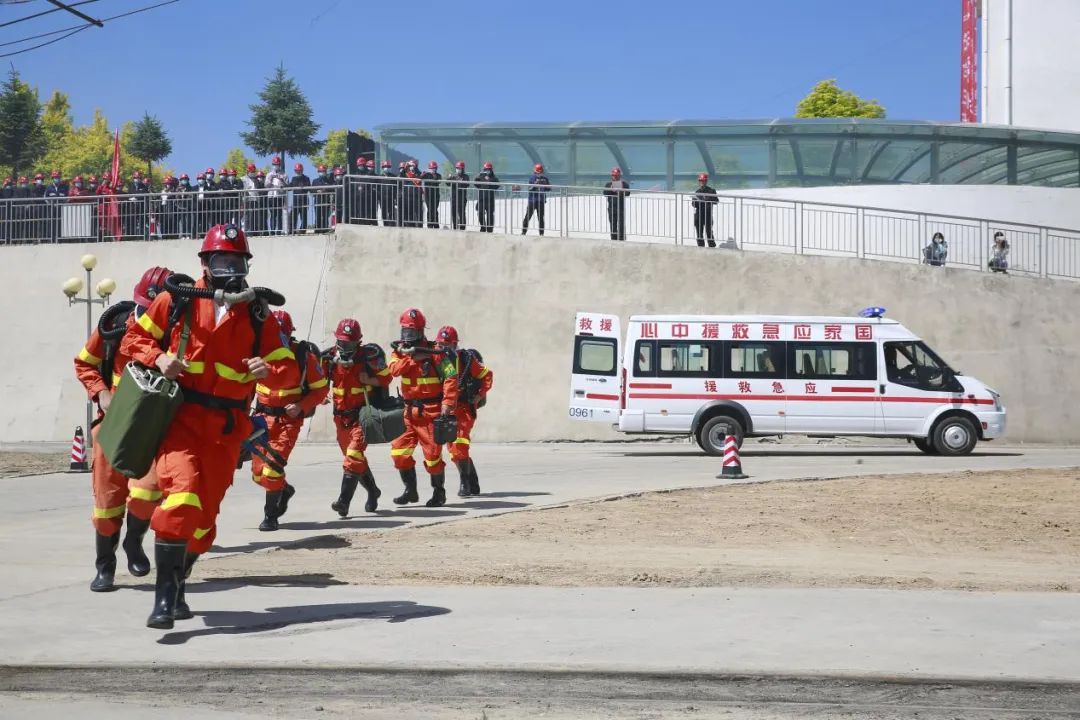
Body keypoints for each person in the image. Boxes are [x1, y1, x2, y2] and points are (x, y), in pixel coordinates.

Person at [119, 224, 299, 628]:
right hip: (181, 422)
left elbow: (288, 372)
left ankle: (180, 584)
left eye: (237, 261)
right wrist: (158, 358)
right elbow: (133, 340)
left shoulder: (256, 312)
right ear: (205, 263)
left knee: (205, 524)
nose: (231, 268)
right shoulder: (177, 300)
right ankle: (163, 600)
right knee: (181, 501)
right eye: (222, 260)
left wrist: (268, 368)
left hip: (227, 430)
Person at [74, 266, 171, 592]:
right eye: (144, 308)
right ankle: (105, 567)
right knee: (107, 501)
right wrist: (99, 393)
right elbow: (84, 363)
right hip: (114, 423)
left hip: (154, 426)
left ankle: (133, 542)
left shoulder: (176, 333)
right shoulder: (115, 325)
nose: (147, 317)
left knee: (148, 491)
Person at [251, 309, 329, 531]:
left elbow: (321, 390)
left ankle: (270, 517)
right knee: (258, 475)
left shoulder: (303, 356)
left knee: (272, 469)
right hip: (261, 419)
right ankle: (283, 490)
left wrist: (300, 406)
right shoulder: (257, 353)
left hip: (287, 421)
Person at [388, 308, 459, 508]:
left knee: (432, 457)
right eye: (405, 331)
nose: (408, 336)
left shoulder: (435, 351)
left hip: (431, 412)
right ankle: (410, 490)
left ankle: (439, 492)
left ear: (421, 332)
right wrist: (412, 359)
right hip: (409, 412)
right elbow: (393, 370)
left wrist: (447, 404)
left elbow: (451, 376)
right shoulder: (399, 351)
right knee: (398, 452)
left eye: (412, 332)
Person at [326, 318, 393, 517]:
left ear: (359, 342)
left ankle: (343, 502)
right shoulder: (329, 357)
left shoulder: (369, 357)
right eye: (342, 342)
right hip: (340, 419)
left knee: (353, 457)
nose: (345, 347)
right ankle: (373, 491)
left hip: (361, 417)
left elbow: (387, 377)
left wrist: (370, 379)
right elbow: (319, 380)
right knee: (355, 459)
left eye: (350, 343)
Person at [435, 326, 493, 497]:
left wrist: (479, 395)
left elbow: (487, 375)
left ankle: (465, 483)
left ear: (454, 345)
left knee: (459, 444)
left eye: (447, 345)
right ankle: (473, 482)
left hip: (464, 408)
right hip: (446, 408)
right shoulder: (434, 358)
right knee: (453, 448)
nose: (443, 349)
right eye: (440, 345)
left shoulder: (466, 359)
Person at [521, 163, 550, 236]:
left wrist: (544, 185)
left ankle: (541, 233)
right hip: (532, 201)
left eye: (540, 172)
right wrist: (535, 185)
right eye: (537, 172)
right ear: (535, 172)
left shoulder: (545, 179)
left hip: (541, 200)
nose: (539, 174)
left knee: (541, 218)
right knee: (527, 217)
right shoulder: (532, 178)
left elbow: (549, 188)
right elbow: (529, 188)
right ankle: (523, 232)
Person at [692, 173, 719, 247]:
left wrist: (708, 199)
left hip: (708, 214)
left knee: (709, 232)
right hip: (699, 214)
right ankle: (701, 247)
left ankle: (712, 246)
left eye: (703, 181)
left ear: (706, 181)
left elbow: (716, 201)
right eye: (700, 181)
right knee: (699, 233)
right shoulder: (697, 191)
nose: (702, 182)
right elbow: (694, 205)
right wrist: (694, 201)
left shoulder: (711, 191)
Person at [603, 167, 630, 241]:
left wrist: (621, 190)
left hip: (620, 208)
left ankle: (621, 239)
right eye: (613, 175)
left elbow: (628, 193)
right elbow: (605, 193)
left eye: (616, 175)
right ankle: (614, 240)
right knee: (613, 225)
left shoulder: (624, 184)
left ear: (619, 176)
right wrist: (611, 189)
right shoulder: (608, 184)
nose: (614, 177)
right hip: (611, 208)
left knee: (621, 225)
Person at [265, 156, 288, 234]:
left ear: (280, 165)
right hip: (271, 197)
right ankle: (272, 230)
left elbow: (287, 186)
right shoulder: (269, 174)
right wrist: (271, 180)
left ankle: (279, 230)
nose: (276, 166)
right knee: (273, 214)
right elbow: (266, 185)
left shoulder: (284, 174)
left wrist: (282, 181)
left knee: (279, 214)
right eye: (274, 164)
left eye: (277, 164)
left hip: (280, 197)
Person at [474, 162, 499, 233]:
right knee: (480, 213)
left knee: (490, 215)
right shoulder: (481, 176)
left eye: (488, 169)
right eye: (486, 169)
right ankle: (483, 226)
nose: (487, 171)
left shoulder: (494, 177)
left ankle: (489, 229)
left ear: (491, 170)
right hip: (481, 199)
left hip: (490, 200)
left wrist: (489, 180)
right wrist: (477, 177)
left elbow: (497, 185)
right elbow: (476, 184)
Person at [401, 161, 424, 228]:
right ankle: (410, 226)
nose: (411, 168)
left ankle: (419, 227)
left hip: (417, 196)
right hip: (407, 196)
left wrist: (415, 168)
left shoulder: (418, 173)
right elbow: (401, 174)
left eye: (413, 166)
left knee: (418, 213)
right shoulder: (405, 174)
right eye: (410, 167)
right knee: (408, 212)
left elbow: (421, 176)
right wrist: (406, 165)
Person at [311, 164, 333, 231]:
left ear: (325, 172)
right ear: (318, 172)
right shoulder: (315, 181)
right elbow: (312, 190)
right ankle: (317, 229)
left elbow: (332, 188)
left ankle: (325, 228)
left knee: (325, 215)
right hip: (318, 200)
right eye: (320, 171)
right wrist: (317, 191)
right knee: (318, 215)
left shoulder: (329, 180)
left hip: (326, 200)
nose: (322, 172)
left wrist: (325, 190)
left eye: (323, 171)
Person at [421, 160, 442, 229]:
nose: (433, 169)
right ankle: (429, 225)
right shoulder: (426, 175)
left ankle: (436, 225)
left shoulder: (438, 175)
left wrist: (434, 174)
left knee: (435, 210)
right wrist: (424, 173)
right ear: (429, 168)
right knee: (430, 209)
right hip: (428, 196)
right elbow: (420, 178)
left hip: (436, 196)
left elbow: (439, 180)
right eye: (432, 168)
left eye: (434, 168)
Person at [449, 161, 470, 230]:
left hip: (462, 198)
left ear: (463, 169)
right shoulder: (453, 176)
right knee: (454, 213)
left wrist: (457, 182)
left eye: (460, 168)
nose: (458, 169)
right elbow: (447, 183)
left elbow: (466, 184)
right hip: (454, 198)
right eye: (457, 168)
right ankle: (455, 227)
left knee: (462, 213)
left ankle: (462, 228)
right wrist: (450, 178)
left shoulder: (466, 176)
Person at [290, 163, 311, 232]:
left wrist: (304, 186)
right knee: (293, 216)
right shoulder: (294, 179)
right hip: (296, 201)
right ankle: (292, 230)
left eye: (299, 171)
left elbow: (309, 188)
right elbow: (290, 186)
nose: (298, 172)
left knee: (304, 216)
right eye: (297, 171)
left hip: (304, 200)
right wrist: (283, 187)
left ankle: (303, 229)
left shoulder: (306, 178)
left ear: (302, 170)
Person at [377, 159, 398, 227]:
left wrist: (395, 197)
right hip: (382, 197)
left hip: (391, 197)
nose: (387, 168)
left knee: (391, 211)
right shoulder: (379, 177)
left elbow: (396, 187)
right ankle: (385, 224)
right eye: (385, 166)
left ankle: (392, 224)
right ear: (382, 167)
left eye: (388, 166)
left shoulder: (393, 177)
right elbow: (377, 187)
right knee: (383, 212)